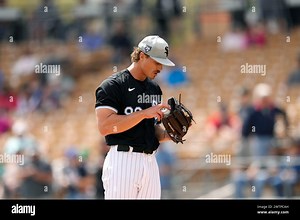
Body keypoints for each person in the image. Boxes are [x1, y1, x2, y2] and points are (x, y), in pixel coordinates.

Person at [95, 35, 175, 199]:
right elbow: (105, 126)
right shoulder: (113, 86)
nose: (160, 68)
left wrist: (169, 135)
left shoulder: (154, 88)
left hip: (150, 161)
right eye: (157, 62)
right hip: (123, 160)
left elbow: (149, 129)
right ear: (142, 56)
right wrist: (144, 113)